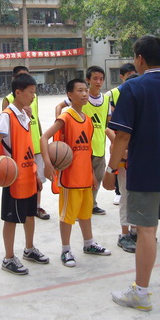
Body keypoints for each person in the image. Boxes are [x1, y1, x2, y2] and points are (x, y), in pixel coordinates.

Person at [103, 35, 160, 311]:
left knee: (146, 231)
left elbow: (122, 136)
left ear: (140, 58)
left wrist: (111, 169)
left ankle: (141, 293)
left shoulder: (133, 87)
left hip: (145, 171)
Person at [0, 73, 50, 275]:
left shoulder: (24, 115)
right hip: (13, 177)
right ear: (18, 93)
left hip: (29, 174)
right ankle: (8, 257)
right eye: (31, 92)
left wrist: (36, 173)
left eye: (34, 92)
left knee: (30, 215)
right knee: (11, 219)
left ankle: (29, 249)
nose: (33, 96)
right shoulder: (6, 116)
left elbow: (28, 146)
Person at [42, 78, 111, 267]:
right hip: (70, 178)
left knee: (85, 213)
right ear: (70, 95)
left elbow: (87, 150)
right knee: (67, 216)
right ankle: (65, 250)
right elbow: (44, 137)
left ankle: (89, 244)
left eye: (85, 90)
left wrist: (91, 174)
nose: (84, 94)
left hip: (84, 176)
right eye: (80, 90)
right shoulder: (66, 117)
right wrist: (47, 163)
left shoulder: (87, 120)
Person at [55, 66, 110, 216]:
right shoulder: (81, 96)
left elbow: (107, 122)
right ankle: (79, 207)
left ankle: (92, 204)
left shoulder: (106, 99)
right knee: (80, 178)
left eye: (101, 79)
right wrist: (60, 125)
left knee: (97, 177)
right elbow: (59, 106)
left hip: (99, 145)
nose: (98, 82)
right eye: (95, 78)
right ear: (88, 80)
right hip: (81, 146)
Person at [3, 66, 49, 220]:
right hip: (20, 148)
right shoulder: (9, 100)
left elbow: (37, 117)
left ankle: (37, 206)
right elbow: (6, 128)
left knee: (38, 179)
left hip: (34, 141)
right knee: (23, 179)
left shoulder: (33, 96)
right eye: (21, 76)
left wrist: (41, 137)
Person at [108, 73, 139, 253]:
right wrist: (121, 154)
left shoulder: (144, 107)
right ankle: (124, 233)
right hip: (124, 161)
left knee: (139, 196)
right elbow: (113, 134)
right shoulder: (122, 108)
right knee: (126, 196)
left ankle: (135, 229)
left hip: (141, 161)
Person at [107, 63, 137, 206]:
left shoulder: (140, 93)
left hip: (131, 139)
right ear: (121, 77)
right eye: (129, 75)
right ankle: (118, 192)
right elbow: (108, 123)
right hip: (118, 135)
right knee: (119, 164)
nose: (132, 78)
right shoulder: (112, 94)